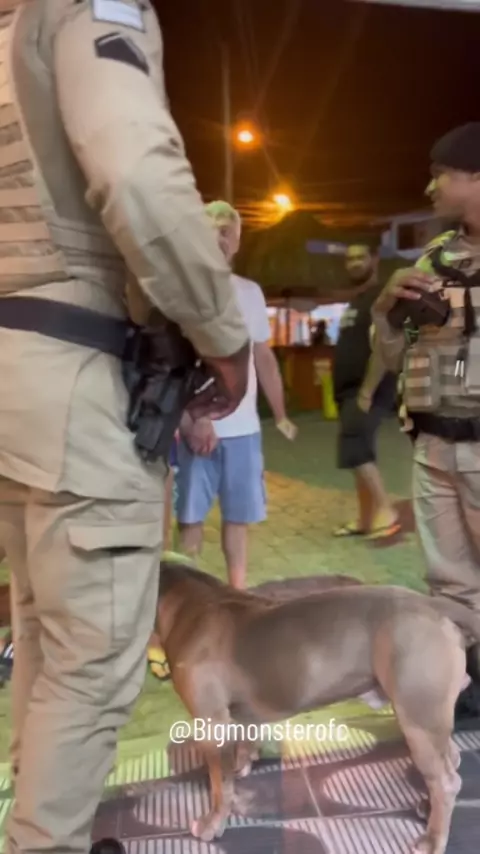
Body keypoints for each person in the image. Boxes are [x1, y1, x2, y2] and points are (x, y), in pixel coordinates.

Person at [0, 3, 250, 854]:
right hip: (74, 377)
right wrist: (222, 335)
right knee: (91, 665)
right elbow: (138, 176)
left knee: (45, 636)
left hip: (18, 382)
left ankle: (41, 825)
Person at [371, 122, 480, 721]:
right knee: (450, 582)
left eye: (441, 173)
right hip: (434, 446)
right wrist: (386, 310)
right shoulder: (435, 258)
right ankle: (466, 683)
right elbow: (397, 356)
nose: (430, 186)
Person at [176, 201, 297, 589]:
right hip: (196, 430)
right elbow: (177, 363)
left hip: (243, 430)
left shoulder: (250, 293)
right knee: (190, 519)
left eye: (227, 231)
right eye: (212, 229)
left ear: (238, 240)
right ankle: (184, 598)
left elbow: (263, 357)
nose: (220, 237)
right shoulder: (183, 292)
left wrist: (280, 413)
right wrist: (195, 418)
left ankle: (237, 594)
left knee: (238, 520)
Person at [332, 244, 401, 539]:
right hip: (349, 391)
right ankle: (365, 520)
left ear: (375, 259)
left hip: (365, 390)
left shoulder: (380, 298)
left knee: (354, 447)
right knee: (361, 451)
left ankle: (386, 510)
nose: (354, 263)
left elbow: (386, 345)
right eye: (350, 258)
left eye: (361, 257)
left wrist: (367, 392)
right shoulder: (358, 300)